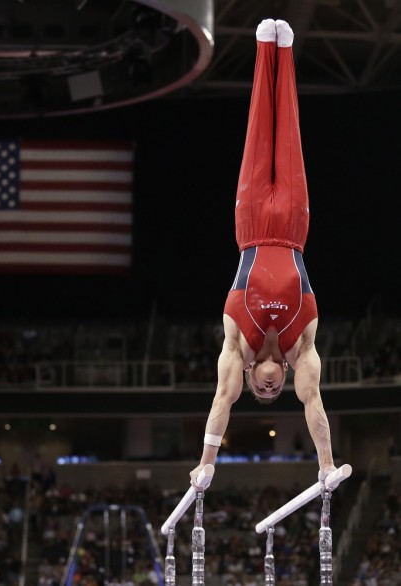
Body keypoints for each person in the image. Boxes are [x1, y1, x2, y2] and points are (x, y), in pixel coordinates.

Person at [190, 19, 336, 489]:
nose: (270, 387)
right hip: (294, 230)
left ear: (251, 375)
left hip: (251, 228)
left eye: (262, 388)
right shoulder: (304, 349)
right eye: (277, 389)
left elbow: (220, 402)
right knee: (289, 133)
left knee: (258, 131)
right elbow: (312, 400)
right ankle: (286, 51)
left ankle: (261, 47)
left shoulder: (238, 348)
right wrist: (326, 466)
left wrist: (208, 462)